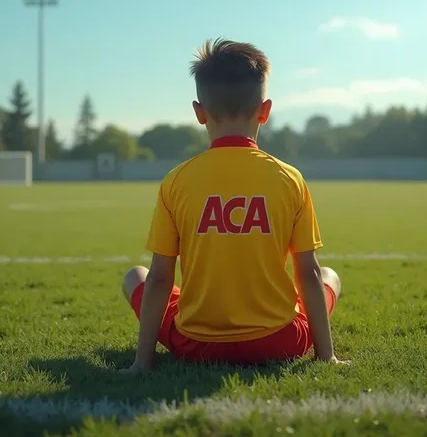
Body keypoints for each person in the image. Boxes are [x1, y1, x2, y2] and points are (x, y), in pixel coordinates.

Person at [121, 39, 348, 373]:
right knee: (329, 275)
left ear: (199, 113)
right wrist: (326, 356)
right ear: (265, 110)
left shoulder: (176, 181)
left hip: (196, 346)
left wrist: (143, 362)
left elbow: (159, 280)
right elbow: (309, 273)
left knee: (135, 275)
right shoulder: (290, 178)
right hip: (280, 341)